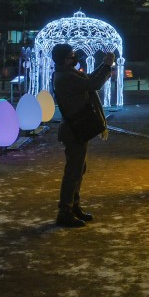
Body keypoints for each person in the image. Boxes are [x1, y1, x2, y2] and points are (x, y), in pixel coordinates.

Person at [52, 44, 114, 228]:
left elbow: (88, 79)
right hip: (74, 130)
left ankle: (73, 207)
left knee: (79, 169)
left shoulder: (69, 73)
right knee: (73, 171)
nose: (75, 58)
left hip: (77, 128)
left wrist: (103, 65)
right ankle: (65, 211)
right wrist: (107, 66)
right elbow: (93, 83)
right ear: (64, 59)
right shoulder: (65, 77)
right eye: (72, 56)